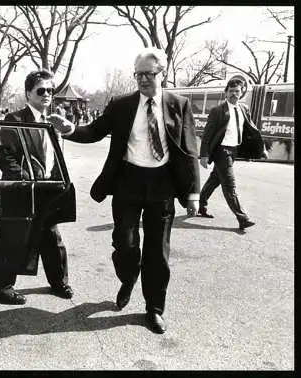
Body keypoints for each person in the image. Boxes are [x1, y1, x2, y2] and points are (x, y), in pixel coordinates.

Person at [48, 47, 200, 334]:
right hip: (128, 183)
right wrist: (69, 129)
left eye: (149, 74)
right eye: (138, 74)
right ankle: (129, 278)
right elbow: (94, 131)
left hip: (163, 186)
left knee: (158, 253)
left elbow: (189, 149)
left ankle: (154, 308)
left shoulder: (179, 104)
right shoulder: (121, 104)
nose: (143, 80)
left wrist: (193, 193)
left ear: (162, 73)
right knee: (125, 244)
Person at [0, 70, 74, 305]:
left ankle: (58, 282)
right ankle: (2, 288)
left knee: (52, 237)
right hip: (22, 189)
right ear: (28, 93)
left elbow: (55, 156)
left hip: (49, 189)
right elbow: (5, 157)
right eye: (41, 90)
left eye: (50, 90)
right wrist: (26, 181)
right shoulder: (14, 120)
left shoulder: (54, 121)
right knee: (14, 238)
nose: (47, 94)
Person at [198, 78, 268, 229]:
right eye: (231, 91)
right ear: (225, 92)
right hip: (221, 151)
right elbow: (207, 134)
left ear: (242, 92)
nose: (234, 94)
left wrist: (261, 148)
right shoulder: (217, 111)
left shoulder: (244, 109)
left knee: (214, 180)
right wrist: (204, 155)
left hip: (234, 150)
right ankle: (242, 218)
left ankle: (200, 205)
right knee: (229, 185)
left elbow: (252, 130)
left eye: (237, 91)